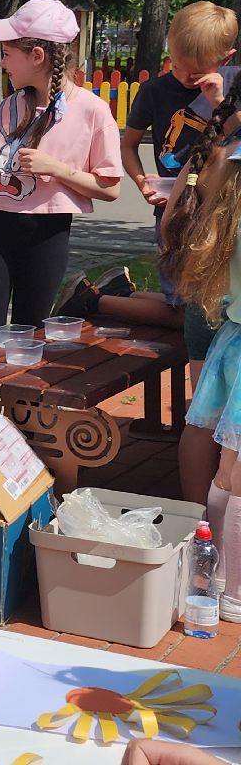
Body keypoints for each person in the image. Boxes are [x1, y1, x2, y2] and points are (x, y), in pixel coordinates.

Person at [56, 1, 239, 504]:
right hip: (188, 233)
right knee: (193, 334)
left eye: (194, 68)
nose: (183, 76)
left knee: (191, 329)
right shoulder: (165, 94)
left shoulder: (229, 99)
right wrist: (148, 185)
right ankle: (201, 510)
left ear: (227, 56)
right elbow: (134, 145)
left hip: (214, 238)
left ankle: (99, 300)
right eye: (178, 64)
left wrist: (221, 108)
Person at [0, 0, 123, 349]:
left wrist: (58, 170)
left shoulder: (93, 111)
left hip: (47, 235)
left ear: (36, 56)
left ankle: (17, 405)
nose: (2, 64)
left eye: (7, 54)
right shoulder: (9, 106)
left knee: (29, 335)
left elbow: (110, 189)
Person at [157, 72, 241, 619]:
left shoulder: (224, 168)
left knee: (227, 473)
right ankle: (232, 592)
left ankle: (219, 581)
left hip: (232, 340)